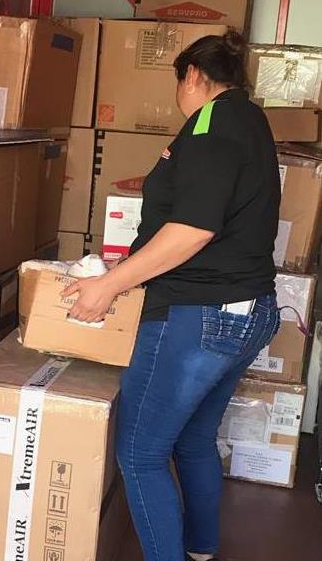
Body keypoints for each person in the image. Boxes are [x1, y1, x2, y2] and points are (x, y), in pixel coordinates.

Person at [61, 31, 281, 561]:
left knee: (139, 454)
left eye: (179, 83)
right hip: (247, 310)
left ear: (193, 77)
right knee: (192, 441)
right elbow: (215, 198)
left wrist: (109, 286)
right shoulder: (247, 119)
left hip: (199, 315)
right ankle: (202, 549)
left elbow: (193, 230)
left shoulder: (208, 124)